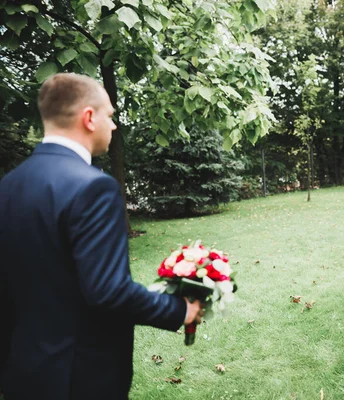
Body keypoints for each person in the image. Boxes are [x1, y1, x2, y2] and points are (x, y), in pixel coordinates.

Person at [0, 73, 204, 399]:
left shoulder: (8, 186)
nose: (114, 126)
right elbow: (107, 291)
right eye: (110, 116)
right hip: (80, 378)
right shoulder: (93, 186)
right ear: (89, 118)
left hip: (23, 374)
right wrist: (179, 310)